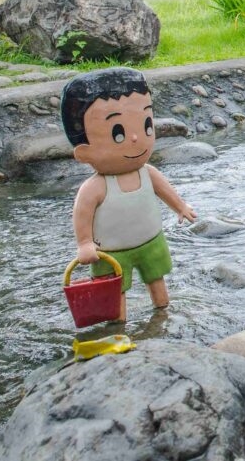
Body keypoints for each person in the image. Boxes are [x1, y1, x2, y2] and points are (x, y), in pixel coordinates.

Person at [62, 68, 198, 321]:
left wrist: (180, 207)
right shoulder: (95, 187)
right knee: (115, 290)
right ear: (83, 153)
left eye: (147, 125)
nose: (136, 138)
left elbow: (165, 191)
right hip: (111, 252)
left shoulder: (148, 173)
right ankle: (118, 324)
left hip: (151, 241)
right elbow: (83, 215)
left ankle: (162, 312)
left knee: (156, 278)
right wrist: (84, 243)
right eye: (118, 133)